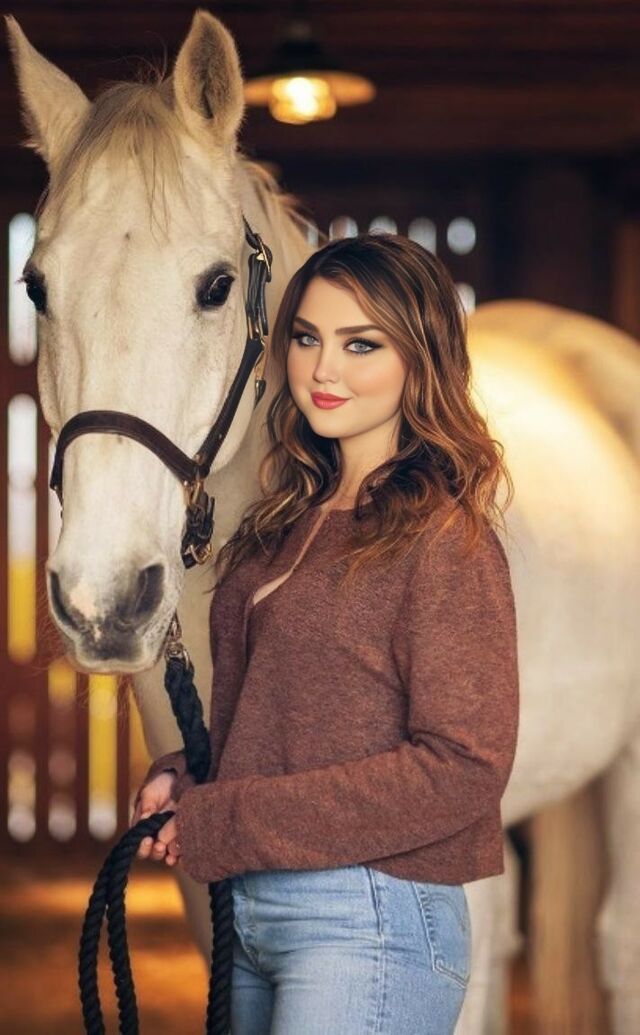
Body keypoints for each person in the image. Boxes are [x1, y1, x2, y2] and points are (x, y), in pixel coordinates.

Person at [131, 232, 520, 1034]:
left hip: (371, 914)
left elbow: (464, 766)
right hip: (256, 910)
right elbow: (298, 719)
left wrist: (227, 819)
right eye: (307, 338)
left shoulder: (445, 541)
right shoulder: (286, 524)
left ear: (419, 358)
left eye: (360, 344)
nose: (323, 369)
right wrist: (195, 773)